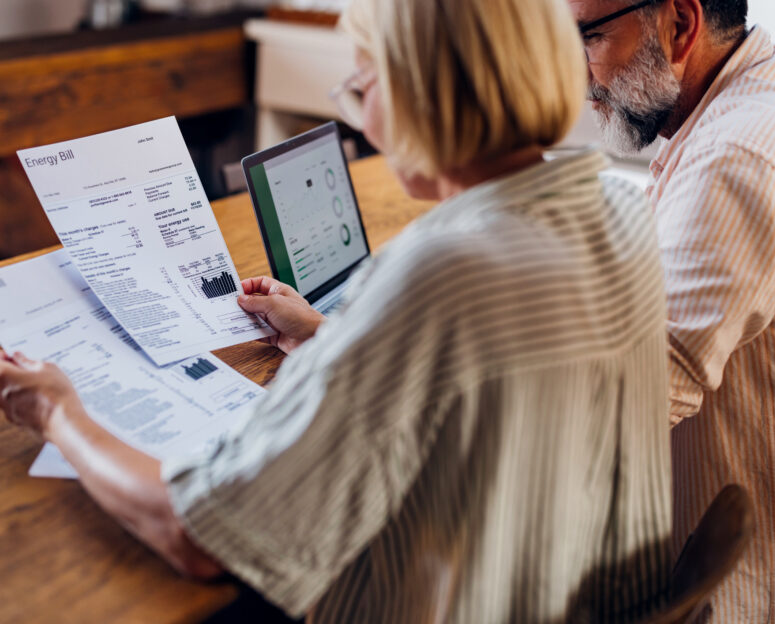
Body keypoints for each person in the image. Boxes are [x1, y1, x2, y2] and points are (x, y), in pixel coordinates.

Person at [1, 0, 673, 620]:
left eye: (364, 83)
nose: (362, 118)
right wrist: (336, 339)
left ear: (419, 90)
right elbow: (482, 387)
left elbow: (199, 536)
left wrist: (56, 410)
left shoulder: (439, 273)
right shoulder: (618, 210)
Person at [568, 0, 775, 620]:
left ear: (680, 27)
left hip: (717, 584)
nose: (578, 72)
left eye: (589, 37)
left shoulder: (736, 157)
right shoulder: (741, 101)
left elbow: (634, 393)